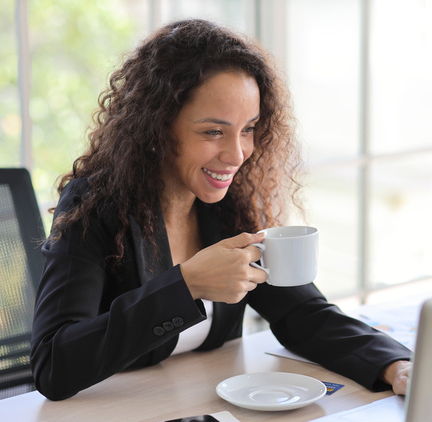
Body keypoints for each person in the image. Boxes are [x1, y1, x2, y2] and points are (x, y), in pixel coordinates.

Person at [31, 19, 412, 401]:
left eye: (248, 129)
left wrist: (396, 366)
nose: (237, 154)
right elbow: (52, 365)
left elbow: (302, 313)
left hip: (208, 405)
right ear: (157, 127)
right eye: (213, 132)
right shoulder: (95, 204)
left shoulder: (228, 202)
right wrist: (187, 285)